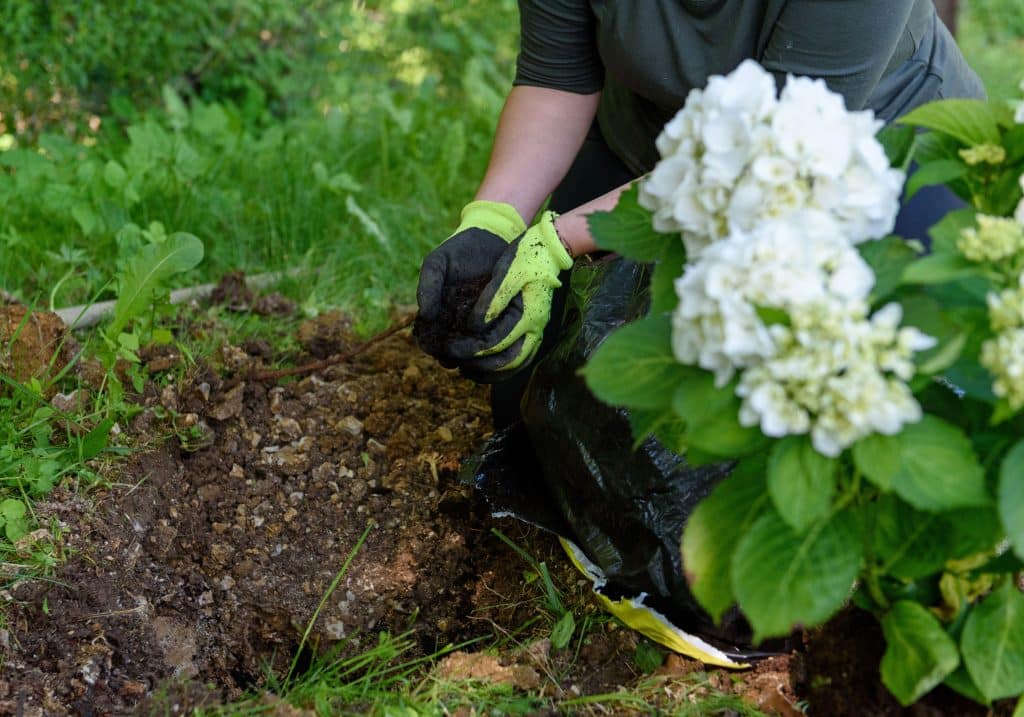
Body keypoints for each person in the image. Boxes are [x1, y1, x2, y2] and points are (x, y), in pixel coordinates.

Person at [415, 0, 986, 429]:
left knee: (891, 402)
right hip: (650, 136)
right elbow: (555, 77)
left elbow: (773, 149)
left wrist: (561, 240)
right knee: (539, 404)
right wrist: (494, 219)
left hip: (862, 151)